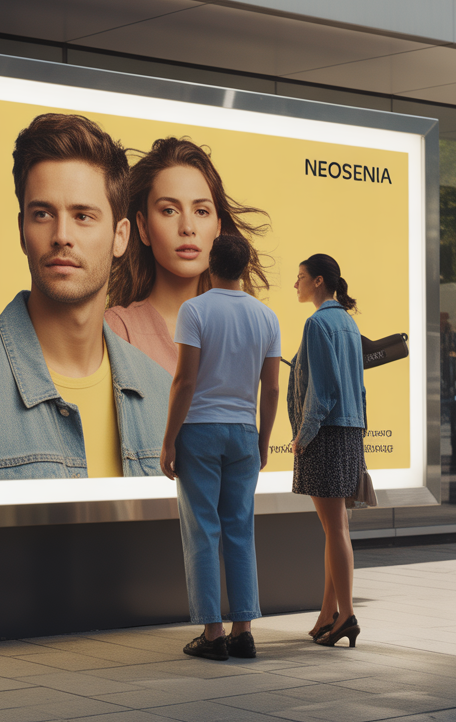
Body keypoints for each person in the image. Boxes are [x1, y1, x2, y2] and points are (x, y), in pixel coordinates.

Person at [0, 113, 171, 483]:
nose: (61, 235)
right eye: (42, 214)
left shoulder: (164, 395)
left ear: (121, 237)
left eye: (83, 216)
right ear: (22, 232)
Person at [161, 235, 281, 661]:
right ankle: (243, 630)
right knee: (239, 529)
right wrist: (263, 439)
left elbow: (185, 382)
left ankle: (213, 635)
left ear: (211, 264)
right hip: (244, 432)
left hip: (199, 431)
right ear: (246, 268)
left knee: (203, 530)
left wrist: (168, 439)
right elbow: (271, 388)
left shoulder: (194, 310)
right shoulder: (266, 317)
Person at [106, 138, 269, 375]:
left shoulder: (243, 333)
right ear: (143, 227)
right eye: (169, 210)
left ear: (218, 229)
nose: (188, 227)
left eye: (201, 211)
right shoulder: (116, 330)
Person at [289, 253, 366, 648]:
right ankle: (327, 614)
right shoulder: (348, 324)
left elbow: (323, 389)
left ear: (319, 281)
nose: (296, 284)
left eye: (300, 277)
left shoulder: (318, 322)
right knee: (336, 529)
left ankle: (347, 613)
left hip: (327, 433)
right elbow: (357, 389)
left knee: (334, 529)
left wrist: (304, 434)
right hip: (350, 431)